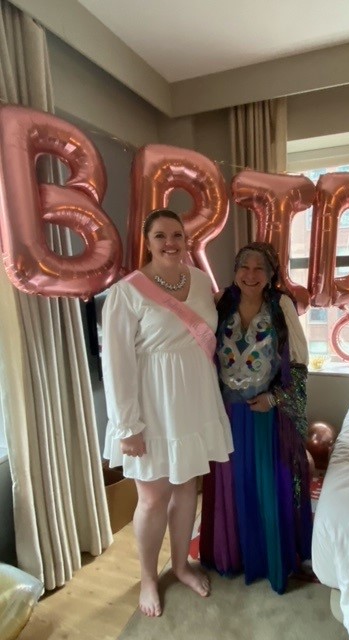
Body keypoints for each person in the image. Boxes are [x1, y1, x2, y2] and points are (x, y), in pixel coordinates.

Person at [102, 209, 233, 617]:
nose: (171, 242)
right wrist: (128, 426)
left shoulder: (197, 280)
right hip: (152, 406)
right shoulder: (127, 292)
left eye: (177, 234)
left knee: (186, 490)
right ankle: (146, 577)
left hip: (194, 398)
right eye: (161, 235)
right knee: (153, 498)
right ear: (148, 240)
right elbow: (116, 363)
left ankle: (179, 565)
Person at [199, 241, 312, 594]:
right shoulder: (221, 303)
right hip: (226, 413)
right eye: (243, 267)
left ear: (271, 274)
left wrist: (275, 398)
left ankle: (270, 560)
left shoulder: (281, 306)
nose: (250, 274)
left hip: (265, 414)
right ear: (234, 271)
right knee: (233, 485)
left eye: (259, 268)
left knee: (266, 484)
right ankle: (233, 556)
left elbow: (300, 362)